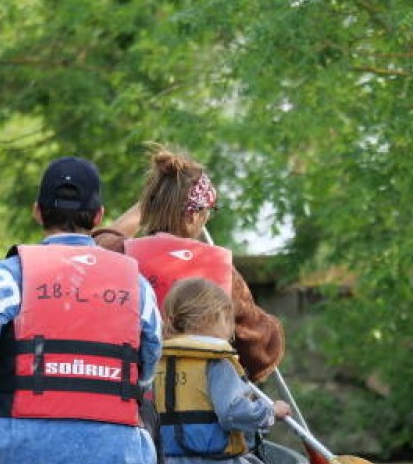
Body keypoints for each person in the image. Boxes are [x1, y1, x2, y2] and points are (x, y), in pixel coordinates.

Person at [0, 156, 164, 464]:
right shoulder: (136, 285)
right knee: (145, 407)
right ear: (98, 216)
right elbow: (148, 364)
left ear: (38, 212)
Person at [95, 146, 285, 383]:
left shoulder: (121, 253)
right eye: (209, 211)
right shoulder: (220, 269)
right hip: (194, 404)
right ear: (193, 215)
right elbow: (262, 352)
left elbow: (96, 239)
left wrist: (148, 204)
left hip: (133, 401)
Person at [155, 277, 291, 464]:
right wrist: (271, 412)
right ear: (211, 318)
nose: (232, 328)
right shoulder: (217, 363)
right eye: (229, 319)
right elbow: (233, 413)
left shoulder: (159, 360)